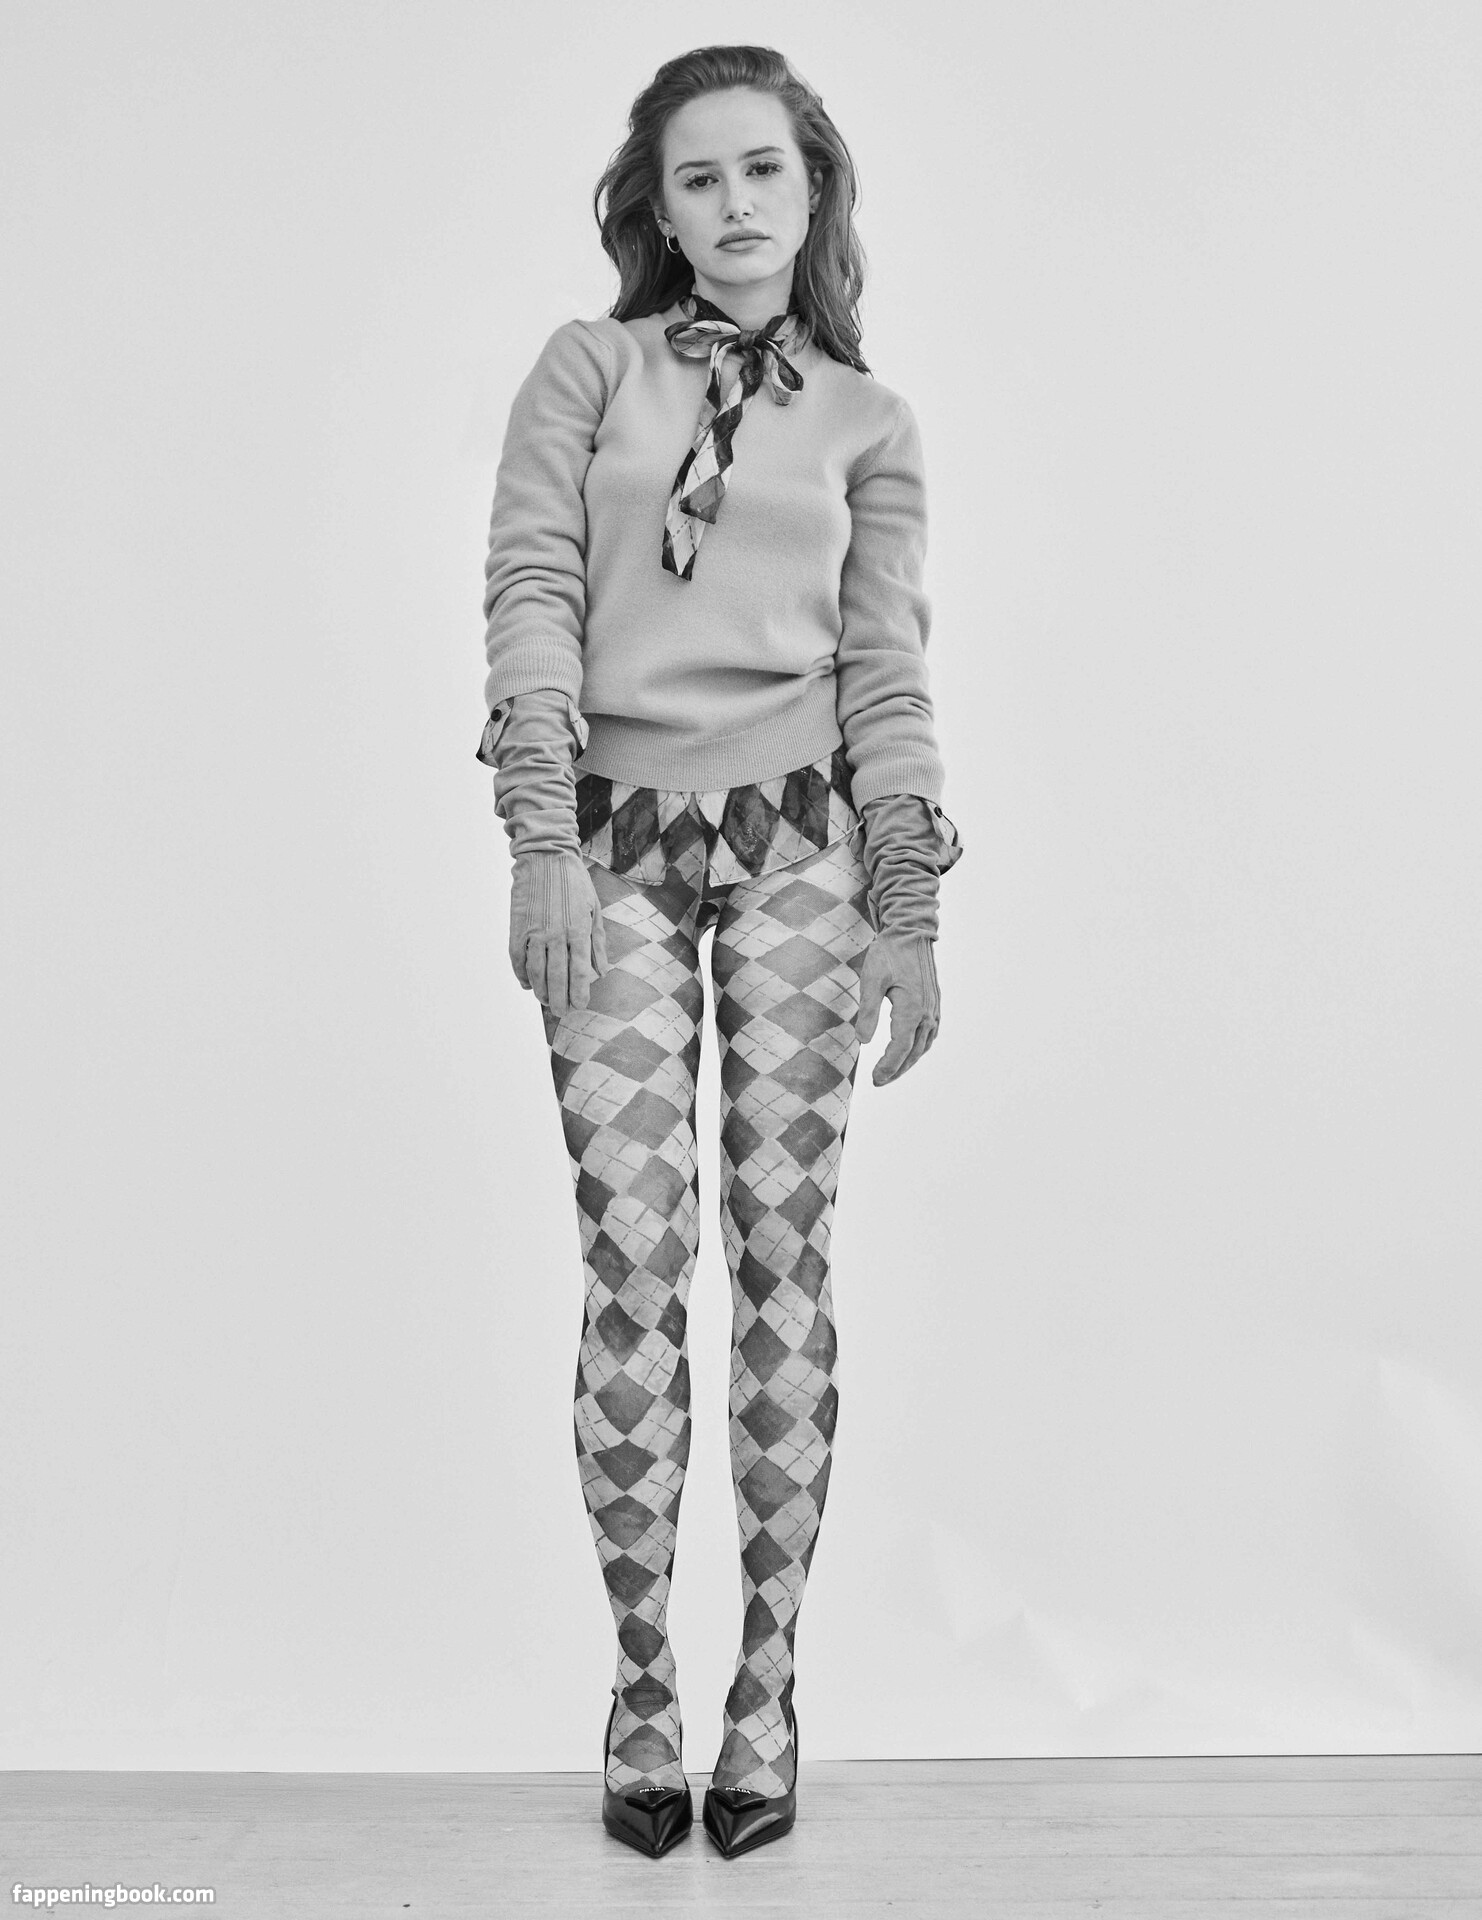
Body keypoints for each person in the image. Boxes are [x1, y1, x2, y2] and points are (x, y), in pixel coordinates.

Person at [475, 42, 963, 1860]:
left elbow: (886, 671)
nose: (738, 203)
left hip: (803, 855)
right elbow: (531, 587)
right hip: (605, 843)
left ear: (812, 189)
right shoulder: (585, 370)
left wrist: (908, 908)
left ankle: (764, 1689)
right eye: (700, 177)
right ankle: (641, 1689)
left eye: (765, 169)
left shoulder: (868, 422)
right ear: (657, 210)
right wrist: (539, 835)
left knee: (781, 1262)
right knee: (632, 1265)